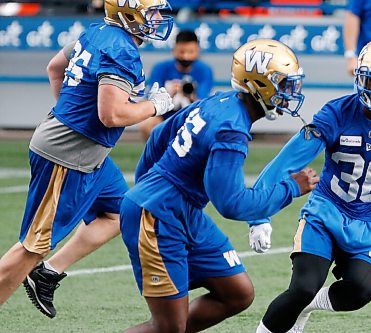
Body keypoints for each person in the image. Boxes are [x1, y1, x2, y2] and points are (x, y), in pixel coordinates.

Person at [119, 39, 319, 333]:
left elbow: (160, 134)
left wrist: (146, 185)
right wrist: (290, 188)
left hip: (180, 208)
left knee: (237, 293)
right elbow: (231, 203)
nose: (290, 93)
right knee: (168, 327)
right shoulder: (232, 129)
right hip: (159, 214)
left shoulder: (220, 101)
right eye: (282, 84)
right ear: (258, 85)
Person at [0, 0, 175, 318]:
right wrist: (155, 106)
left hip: (86, 153)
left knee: (120, 214)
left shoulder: (97, 32)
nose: (157, 19)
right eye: (151, 12)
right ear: (128, 13)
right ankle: (35, 267)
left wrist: (68, 117)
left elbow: (55, 67)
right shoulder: (120, 48)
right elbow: (112, 115)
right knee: (33, 246)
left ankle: (48, 273)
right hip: (67, 157)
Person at [254, 37, 371, 333]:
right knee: (302, 288)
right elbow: (289, 159)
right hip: (326, 212)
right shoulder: (337, 113)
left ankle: (309, 307)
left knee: (361, 290)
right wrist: (259, 210)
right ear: (360, 78)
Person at [138, 29, 214, 141]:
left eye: (191, 52)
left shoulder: (204, 70)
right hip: (164, 117)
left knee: (210, 125)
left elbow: (202, 104)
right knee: (147, 122)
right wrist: (169, 93)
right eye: (182, 52)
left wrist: (190, 94)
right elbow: (151, 99)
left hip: (191, 118)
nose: (186, 57)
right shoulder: (161, 68)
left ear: (198, 51)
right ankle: (153, 155)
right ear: (174, 50)